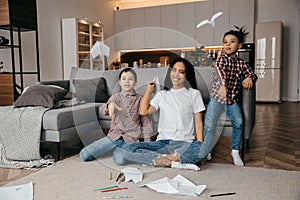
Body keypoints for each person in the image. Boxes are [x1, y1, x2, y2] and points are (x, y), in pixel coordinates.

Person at [113, 57, 209, 170]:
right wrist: (149, 90)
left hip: (184, 143)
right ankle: (170, 161)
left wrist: (200, 146)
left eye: (181, 72)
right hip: (162, 143)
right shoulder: (162, 94)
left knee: (204, 149)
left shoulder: (194, 94)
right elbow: (143, 111)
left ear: (187, 75)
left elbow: (198, 124)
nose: (176, 74)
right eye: (173, 70)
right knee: (127, 148)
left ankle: (157, 159)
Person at [204, 26, 258, 166]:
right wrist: (222, 85)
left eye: (231, 41)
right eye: (225, 42)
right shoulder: (221, 60)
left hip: (231, 100)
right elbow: (219, 73)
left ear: (239, 45)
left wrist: (249, 78)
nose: (227, 44)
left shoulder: (242, 63)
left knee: (239, 122)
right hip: (217, 97)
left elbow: (252, 73)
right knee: (210, 124)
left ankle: (235, 151)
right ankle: (207, 149)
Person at [79, 67, 153, 162]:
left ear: (135, 82)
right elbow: (104, 111)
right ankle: (112, 147)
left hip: (130, 139)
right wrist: (110, 105)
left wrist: (147, 143)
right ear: (119, 82)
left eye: (130, 79)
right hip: (113, 136)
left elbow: (146, 122)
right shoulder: (115, 97)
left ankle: (120, 150)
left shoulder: (141, 99)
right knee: (84, 155)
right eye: (124, 79)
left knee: (119, 160)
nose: (127, 82)